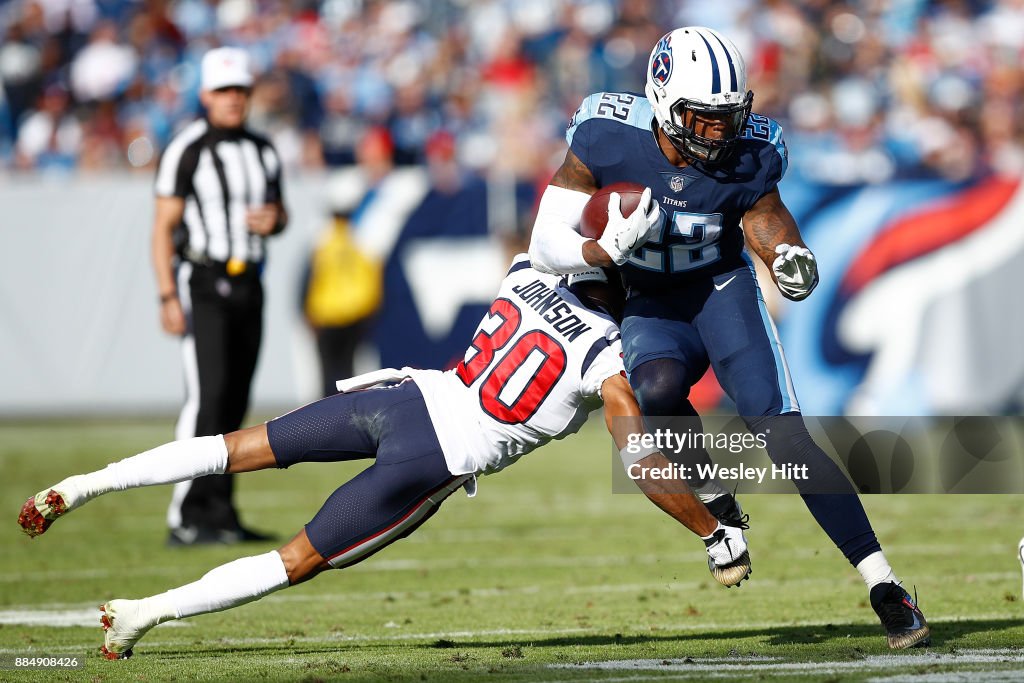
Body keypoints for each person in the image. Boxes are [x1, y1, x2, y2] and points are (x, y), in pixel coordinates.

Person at [18, 255, 749, 660]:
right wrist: (712, 531)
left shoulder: (526, 273)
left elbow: (559, 216)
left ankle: (87, 483)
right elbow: (645, 461)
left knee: (231, 447)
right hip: (431, 459)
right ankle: (143, 613)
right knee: (293, 560)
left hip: (400, 397)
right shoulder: (609, 358)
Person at [527, 26, 929, 650]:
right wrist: (598, 248)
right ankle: (716, 491)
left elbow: (763, 214)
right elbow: (543, 241)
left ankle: (884, 584)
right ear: (662, 100)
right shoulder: (606, 135)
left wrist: (786, 253)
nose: (717, 133)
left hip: (720, 288)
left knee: (782, 433)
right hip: (650, 299)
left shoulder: (751, 151)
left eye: (726, 118)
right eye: (702, 119)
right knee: (656, 392)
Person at [151, 47, 287, 546]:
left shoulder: (263, 150)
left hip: (250, 281)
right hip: (203, 283)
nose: (233, 100)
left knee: (234, 402)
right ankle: (185, 514)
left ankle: (221, 510)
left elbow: (281, 213)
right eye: (224, 91)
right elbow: (163, 227)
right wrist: (167, 294)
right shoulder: (187, 147)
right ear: (206, 94)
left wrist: (275, 221)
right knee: (206, 400)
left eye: (241, 91)